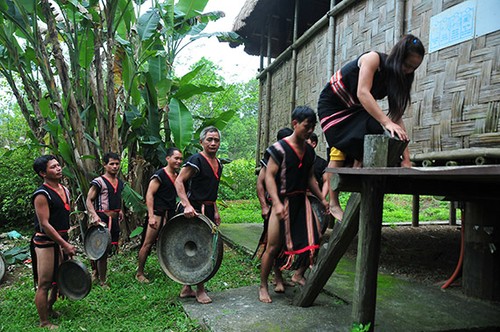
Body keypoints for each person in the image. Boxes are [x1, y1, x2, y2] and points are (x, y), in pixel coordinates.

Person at [317, 34, 425, 221]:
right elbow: (363, 92)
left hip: (356, 111)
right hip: (333, 109)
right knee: (343, 148)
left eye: (414, 68)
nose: (408, 71)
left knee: (383, 133)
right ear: (398, 57)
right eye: (407, 65)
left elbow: (397, 115)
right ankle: (333, 203)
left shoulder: (401, 77)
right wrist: (386, 122)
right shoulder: (373, 59)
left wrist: (406, 160)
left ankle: (359, 169)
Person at [259, 106, 329, 303]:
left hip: (302, 202)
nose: (309, 130)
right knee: (272, 247)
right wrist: (277, 204)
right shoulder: (278, 149)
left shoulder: (309, 152)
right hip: (281, 202)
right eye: (306, 126)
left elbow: (310, 179)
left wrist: (322, 199)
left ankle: (297, 274)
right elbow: (269, 177)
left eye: (313, 127)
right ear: (295, 124)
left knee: (313, 240)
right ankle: (264, 285)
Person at [175, 126, 223, 304]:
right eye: (209, 139)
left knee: (204, 248)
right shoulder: (196, 160)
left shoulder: (219, 164)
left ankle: (187, 287)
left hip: (208, 209)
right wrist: (186, 205)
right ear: (201, 142)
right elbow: (179, 181)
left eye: (216, 140)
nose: (213, 143)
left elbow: (212, 192)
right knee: (197, 249)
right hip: (192, 211)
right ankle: (199, 290)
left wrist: (216, 211)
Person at [31, 155, 77, 329]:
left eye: (59, 165)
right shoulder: (41, 195)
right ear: (43, 173)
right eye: (53, 167)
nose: (58, 168)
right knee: (44, 283)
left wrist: (65, 241)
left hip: (62, 238)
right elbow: (45, 224)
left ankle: (49, 307)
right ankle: (44, 322)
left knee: (58, 277)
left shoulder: (65, 189)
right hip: (46, 242)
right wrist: (64, 244)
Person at [136, 147, 183, 283]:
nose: (178, 161)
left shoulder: (178, 176)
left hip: (170, 214)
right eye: (176, 158)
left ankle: (170, 270)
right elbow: (149, 194)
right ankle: (140, 273)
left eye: (180, 159)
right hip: (157, 213)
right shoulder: (160, 175)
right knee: (147, 243)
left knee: (169, 243)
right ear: (168, 158)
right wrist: (151, 216)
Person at [255, 127, 293, 293]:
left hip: (290, 206)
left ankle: (280, 278)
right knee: (273, 246)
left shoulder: (295, 155)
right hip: (274, 207)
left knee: (286, 245)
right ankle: (265, 285)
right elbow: (260, 184)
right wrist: (264, 206)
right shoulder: (271, 157)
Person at [86, 152, 124, 288]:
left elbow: (119, 198)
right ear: (105, 165)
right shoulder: (99, 182)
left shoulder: (120, 183)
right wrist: (94, 216)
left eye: (117, 164)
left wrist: (120, 211)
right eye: (111, 164)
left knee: (107, 248)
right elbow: (89, 200)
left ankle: (98, 274)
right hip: (101, 218)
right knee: (99, 249)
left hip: (113, 219)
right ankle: (101, 279)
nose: (115, 166)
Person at [306, 132, 329, 200]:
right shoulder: (296, 160)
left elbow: (326, 181)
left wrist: (321, 199)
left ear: (313, 144)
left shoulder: (322, 163)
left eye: (306, 141)